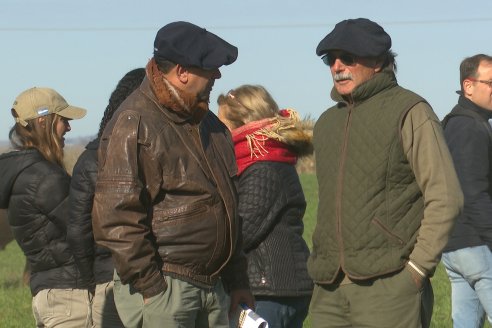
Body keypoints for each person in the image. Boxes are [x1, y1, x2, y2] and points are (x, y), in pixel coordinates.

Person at [91, 21, 254, 328]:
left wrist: (237, 280)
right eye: (210, 68)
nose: (217, 76)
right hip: (166, 288)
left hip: (213, 288)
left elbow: (229, 207)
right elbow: (115, 218)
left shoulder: (212, 127)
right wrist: (153, 288)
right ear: (182, 72)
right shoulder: (135, 122)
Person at [307, 18, 464, 328]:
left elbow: (446, 197)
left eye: (348, 57)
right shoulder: (326, 123)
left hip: (390, 286)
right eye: (330, 59)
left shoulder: (410, 110)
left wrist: (416, 271)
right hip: (328, 290)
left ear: (378, 61)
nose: (337, 66)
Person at [217, 85, 314, 327]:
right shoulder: (267, 161)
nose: (219, 135)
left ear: (243, 123)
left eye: (223, 126)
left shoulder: (263, 168)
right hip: (276, 286)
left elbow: (241, 229)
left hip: (270, 288)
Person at [0, 87, 91, 327]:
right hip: (71, 299)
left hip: (50, 295)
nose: (69, 128)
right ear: (43, 121)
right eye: (63, 120)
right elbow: (88, 230)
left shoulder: (22, 174)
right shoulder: (45, 179)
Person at [67, 68, 146, 328]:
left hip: (108, 281)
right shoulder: (156, 154)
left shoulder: (90, 159)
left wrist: (92, 280)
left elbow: (78, 231)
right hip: (150, 279)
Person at [441, 54, 492, 328]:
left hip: (454, 246)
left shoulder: (453, 122)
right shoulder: (470, 126)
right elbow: (472, 192)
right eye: (491, 82)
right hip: (477, 244)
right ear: (468, 86)